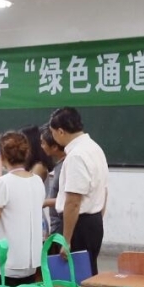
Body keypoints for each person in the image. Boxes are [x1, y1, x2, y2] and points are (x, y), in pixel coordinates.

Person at [49, 107, 108, 276]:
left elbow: (73, 202)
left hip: (78, 225)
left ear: (61, 132)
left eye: (52, 132)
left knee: (75, 279)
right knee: (89, 275)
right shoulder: (95, 148)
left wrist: (66, 240)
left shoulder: (76, 156)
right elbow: (104, 190)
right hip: (93, 221)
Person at [0, 131, 45, 287]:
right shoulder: (37, 181)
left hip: (3, 264)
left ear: (2, 156)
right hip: (30, 264)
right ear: (27, 153)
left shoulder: (2, 183)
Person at [40, 124, 66, 236]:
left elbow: (69, 199)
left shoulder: (66, 165)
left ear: (54, 147)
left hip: (62, 225)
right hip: (57, 224)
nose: (41, 146)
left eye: (43, 143)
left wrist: (45, 202)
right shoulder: (59, 165)